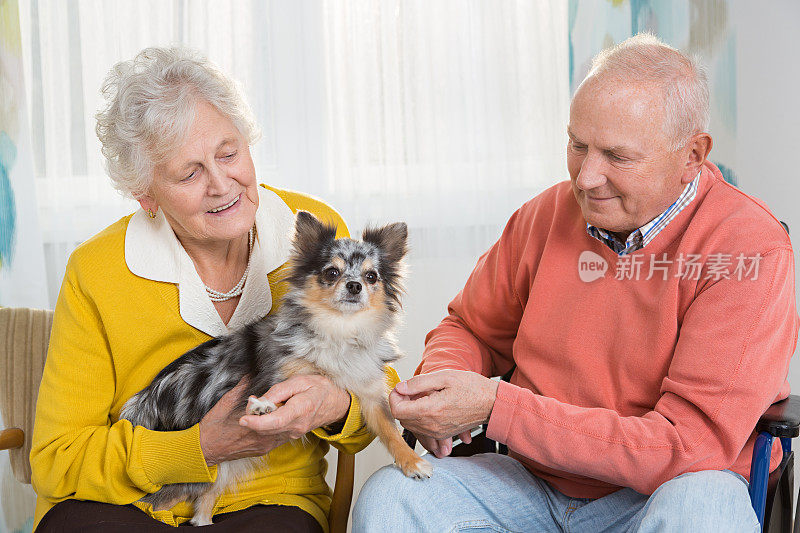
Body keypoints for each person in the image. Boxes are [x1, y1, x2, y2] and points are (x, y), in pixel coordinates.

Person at [353, 33, 799, 532]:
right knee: (393, 496)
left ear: (692, 155)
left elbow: (685, 446)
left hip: (658, 494)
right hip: (528, 481)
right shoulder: (545, 215)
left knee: (705, 506)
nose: (586, 177)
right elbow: (470, 329)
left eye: (617, 157)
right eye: (578, 145)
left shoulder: (747, 249)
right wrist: (441, 389)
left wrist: (498, 408)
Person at [30, 46, 395, 532]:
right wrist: (197, 447)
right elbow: (57, 459)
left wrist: (335, 406)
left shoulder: (319, 241)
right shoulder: (95, 271)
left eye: (229, 154)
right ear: (147, 195)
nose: (223, 185)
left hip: (268, 500)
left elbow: (372, 390)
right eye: (189, 172)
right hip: (126, 505)